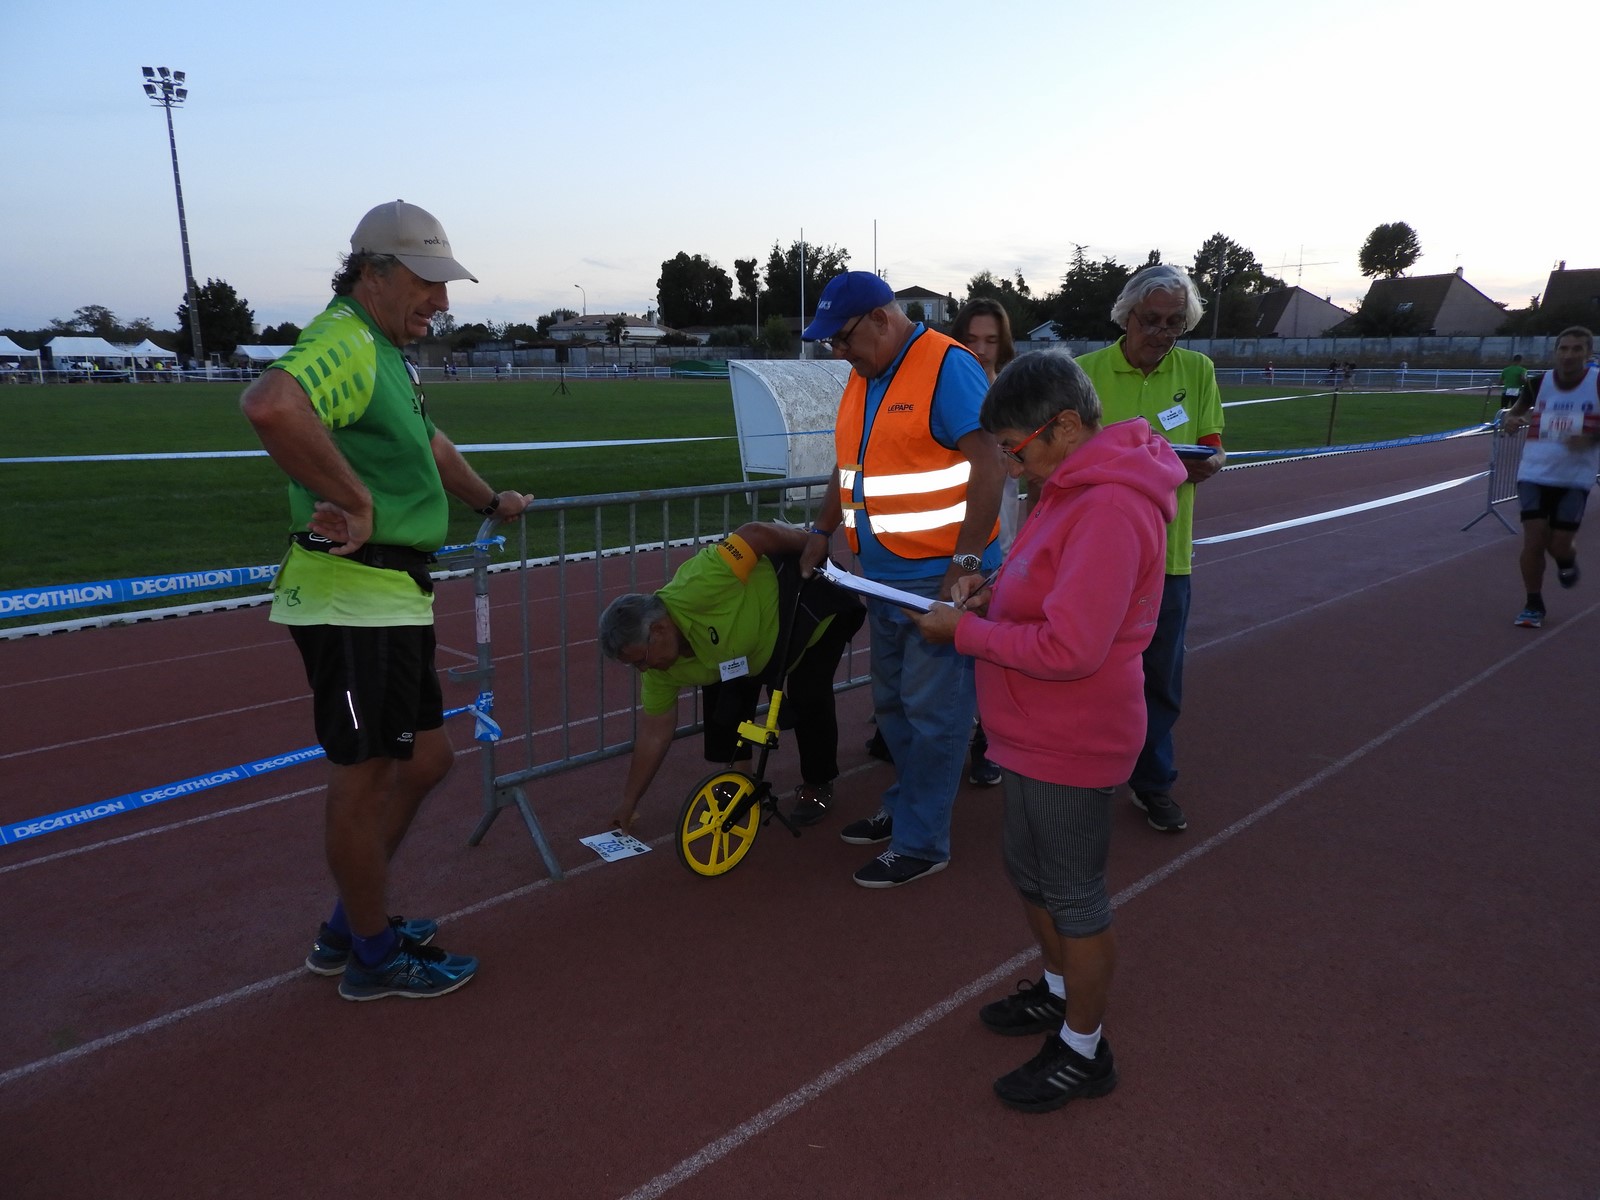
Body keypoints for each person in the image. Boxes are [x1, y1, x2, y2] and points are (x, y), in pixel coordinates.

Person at [240, 200, 532, 1002]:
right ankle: (369, 956)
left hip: (393, 597)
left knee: (428, 761)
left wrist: (488, 499)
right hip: (351, 598)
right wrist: (355, 500)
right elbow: (271, 404)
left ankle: (352, 925)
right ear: (372, 273)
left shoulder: (386, 353)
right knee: (365, 780)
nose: (442, 300)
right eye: (427, 281)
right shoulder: (345, 338)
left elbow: (429, 446)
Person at [909, 350, 1185, 1113]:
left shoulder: (1109, 505)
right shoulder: (1067, 488)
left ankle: (1085, 1050)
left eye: (1015, 448)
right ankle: (1061, 993)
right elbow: (1045, 585)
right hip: (1030, 728)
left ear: (1064, 427)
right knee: (1030, 873)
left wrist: (963, 633)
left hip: (1072, 734)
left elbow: (1072, 647)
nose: (1009, 465)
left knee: (1072, 894)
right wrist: (986, 592)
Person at [799, 271, 1006, 888]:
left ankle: (922, 841)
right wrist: (821, 530)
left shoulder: (948, 366)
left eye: (843, 338)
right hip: (882, 577)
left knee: (934, 712)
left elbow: (991, 463)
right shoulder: (864, 375)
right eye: (832, 342)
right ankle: (906, 805)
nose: (839, 351)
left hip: (940, 576)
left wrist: (965, 565)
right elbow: (851, 466)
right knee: (893, 706)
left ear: (880, 319)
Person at [1074, 264, 1225, 834]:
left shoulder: (1198, 370)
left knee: (1159, 677)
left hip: (1168, 558)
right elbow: (1064, 462)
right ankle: (1084, 773)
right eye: (1151, 320)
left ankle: (1153, 782)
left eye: (1174, 323)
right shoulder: (1085, 373)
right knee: (1086, 668)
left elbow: (1212, 448)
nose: (1162, 333)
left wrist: (1208, 462)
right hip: (1094, 555)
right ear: (1125, 316)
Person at [599, 523, 864, 832]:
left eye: (640, 660)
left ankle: (818, 782)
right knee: (721, 694)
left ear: (658, 629)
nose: (643, 670)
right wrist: (629, 801)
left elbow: (756, 535)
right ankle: (739, 778)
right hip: (747, 650)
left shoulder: (701, 581)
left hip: (809, 608)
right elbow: (654, 733)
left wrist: (815, 543)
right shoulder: (660, 670)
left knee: (807, 694)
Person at [950, 297, 1020, 789]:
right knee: (953, 643)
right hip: (956, 536)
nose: (980, 350)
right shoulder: (948, 389)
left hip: (1004, 538)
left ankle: (987, 743)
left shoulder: (1013, 396)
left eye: (991, 340)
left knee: (991, 646)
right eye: (971, 339)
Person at [1501, 327, 1600, 629]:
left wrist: (1591, 437)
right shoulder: (1538, 383)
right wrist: (1512, 420)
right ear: (1555, 352)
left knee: (1559, 545)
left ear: (1588, 354)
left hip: (1574, 478)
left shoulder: (1597, 383)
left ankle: (1566, 560)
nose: (1569, 355)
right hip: (1533, 473)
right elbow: (1514, 412)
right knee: (1534, 539)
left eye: (1576, 349)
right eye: (1563, 348)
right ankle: (1533, 604)